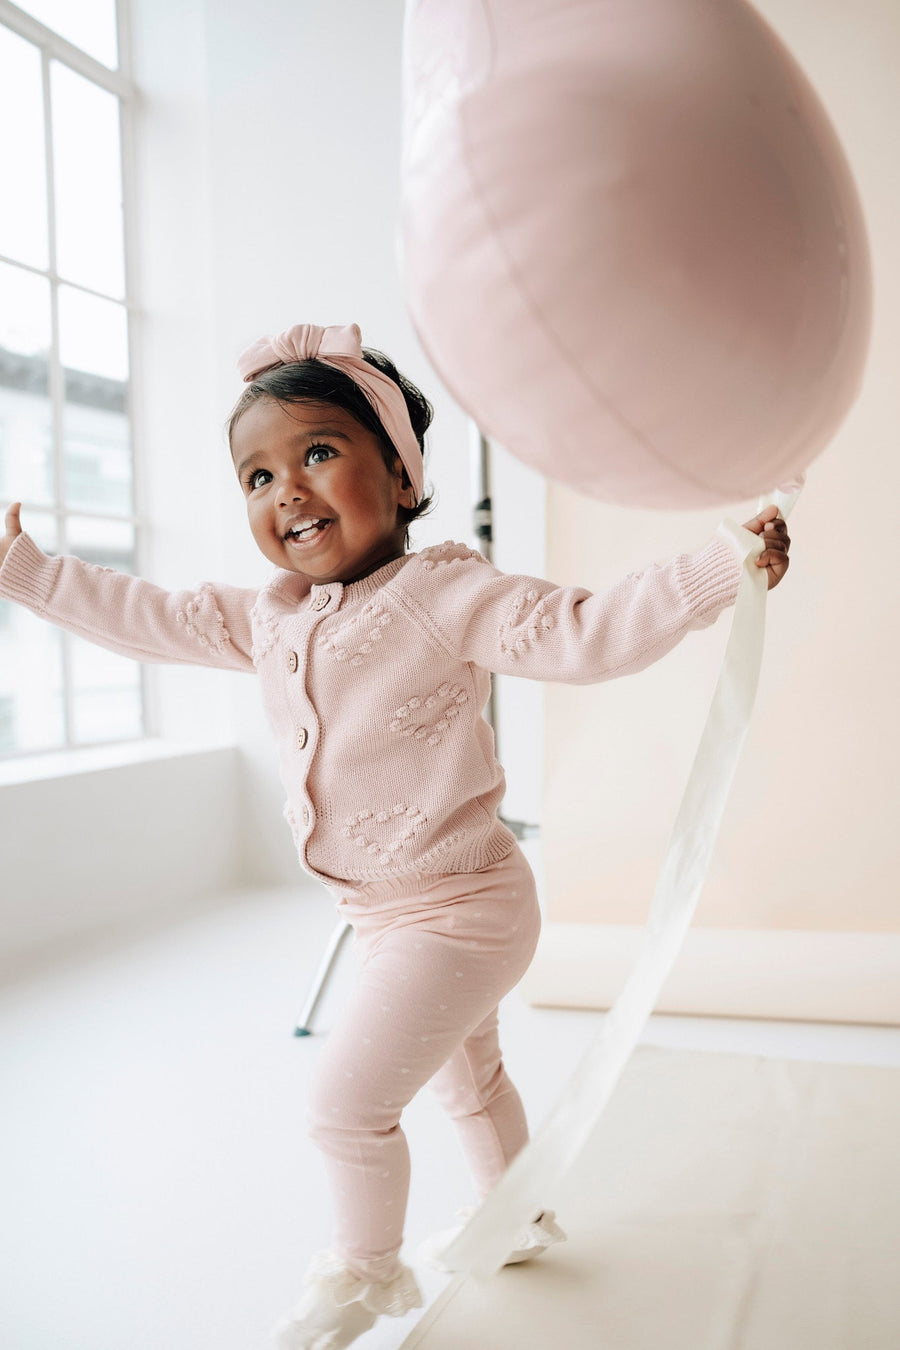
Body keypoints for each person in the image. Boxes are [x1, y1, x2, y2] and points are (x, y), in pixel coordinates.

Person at [0, 322, 790, 1349]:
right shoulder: (273, 616)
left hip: (464, 909)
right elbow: (150, 613)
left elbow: (583, 631)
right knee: (472, 1080)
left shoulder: (442, 595)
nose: (286, 489)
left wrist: (716, 568)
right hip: (384, 916)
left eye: (319, 454)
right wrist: (28, 572)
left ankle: (361, 1275)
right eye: (257, 475)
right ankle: (519, 1214)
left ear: (404, 476)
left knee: (344, 1107)